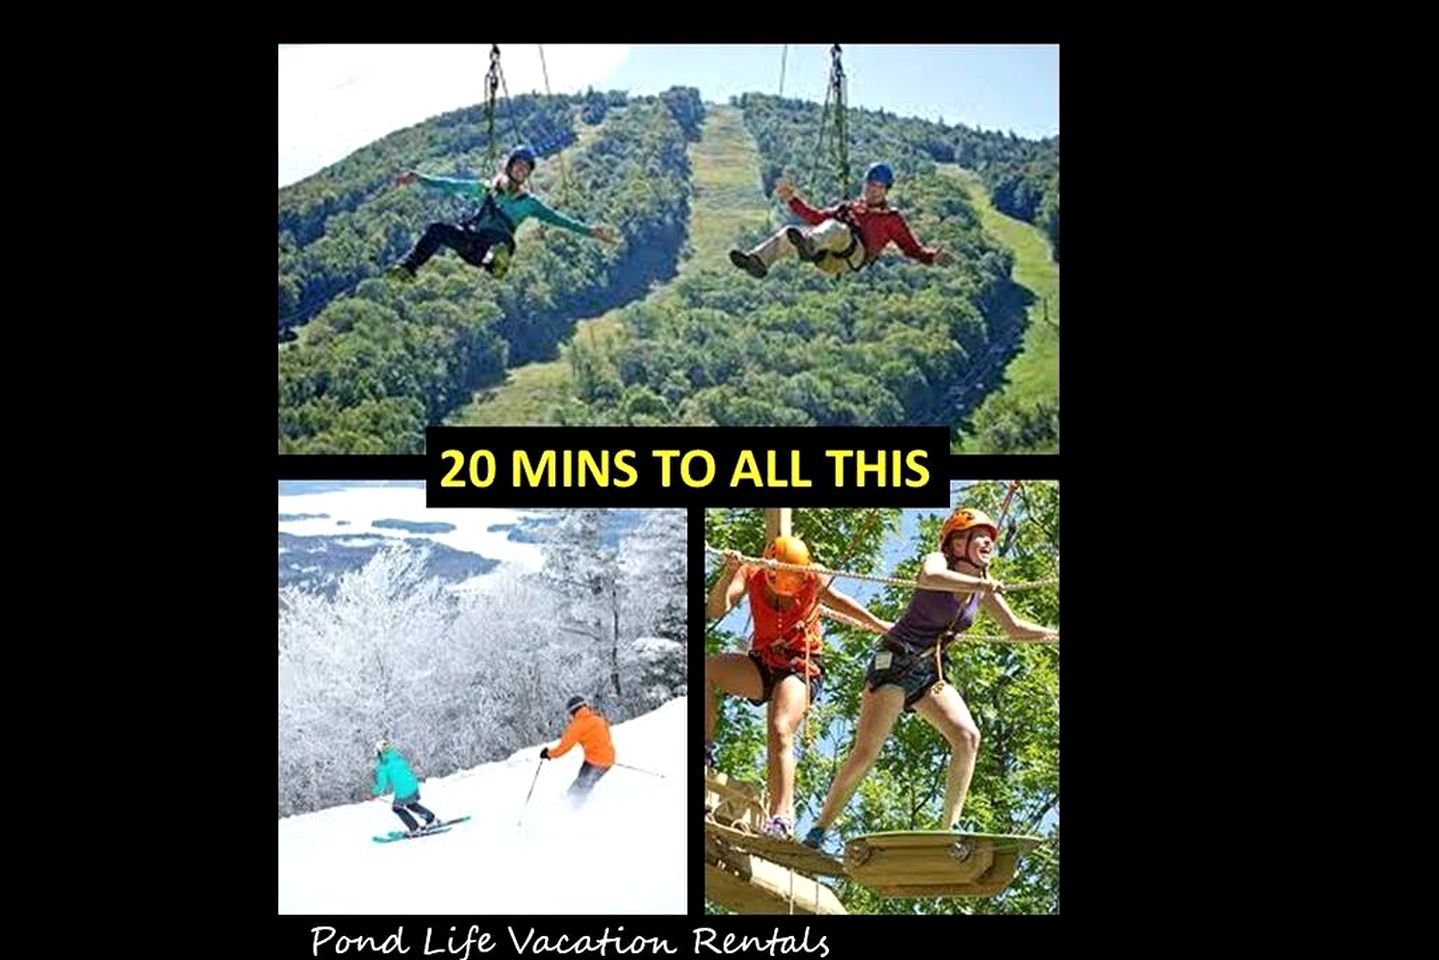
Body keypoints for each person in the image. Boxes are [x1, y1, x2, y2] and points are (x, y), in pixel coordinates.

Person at [802, 508, 1058, 849]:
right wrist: (980, 583)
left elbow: (1015, 629)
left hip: (927, 671)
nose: (988, 543)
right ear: (958, 544)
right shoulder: (940, 562)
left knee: (967, 736)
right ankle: (819, 830)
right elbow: (930, 576)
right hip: (894, 663)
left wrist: (1054, 635)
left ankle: (948, 830)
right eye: (979, 537)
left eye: (989, 538)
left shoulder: (983, 585)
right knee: (866, 752)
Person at [705, 534, 892, 840]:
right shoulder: (752, 571)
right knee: (705, 671)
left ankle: (781, 817)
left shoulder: (812, 577)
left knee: (781, 728)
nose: (788, 593)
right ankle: (704, 751)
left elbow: (843, 603)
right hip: (764, 662)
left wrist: (882, 626)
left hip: (801, 666)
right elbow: (716, 609)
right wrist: (728, 574)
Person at [387, 145, 618, 282]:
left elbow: (559, 220)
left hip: (496, 246)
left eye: (526, 168)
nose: (522, 170)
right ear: (509, 166)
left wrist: (590, 231)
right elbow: (452, 185)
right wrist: (419, 178)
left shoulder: (529, 203)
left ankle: (497, 263)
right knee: (436, 229)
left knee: (498, 242)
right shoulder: (487, 188)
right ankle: (408, 267)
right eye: (519, 165)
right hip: (472, 243)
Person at [728, 162, 954, 279]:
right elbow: (816, 217)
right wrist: (792, 200)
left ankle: (809, 244)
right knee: (788, 232)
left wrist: (932, 256)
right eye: (871, 185)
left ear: (886, 190)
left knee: (837, 228)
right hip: (825, 256)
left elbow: (910, 248)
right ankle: (757, 262)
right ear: (864, 185)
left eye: (879, 187)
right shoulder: (848, 208)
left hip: (851, 258)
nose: (874, 190)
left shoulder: (890, 218)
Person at [541, 695, 615, 805]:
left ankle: (571, 809)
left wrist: (548, 754)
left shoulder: (577, 726)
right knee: (586, 785)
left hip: (594, 762)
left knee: (578, 790)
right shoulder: (598, 718)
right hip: (609, 760)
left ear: (572, 711)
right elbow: (605, 734)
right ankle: (580, 804)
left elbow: (563, 748)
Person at [372, 739, 439, 836]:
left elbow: (382, 784)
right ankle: (431, 819)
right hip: (413, 785)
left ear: (380, 753)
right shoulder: (398, 757)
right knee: (411, 804)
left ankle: (415, 828)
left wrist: (374, 793)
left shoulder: (383, 766)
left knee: (397, 808)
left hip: (403, 791)